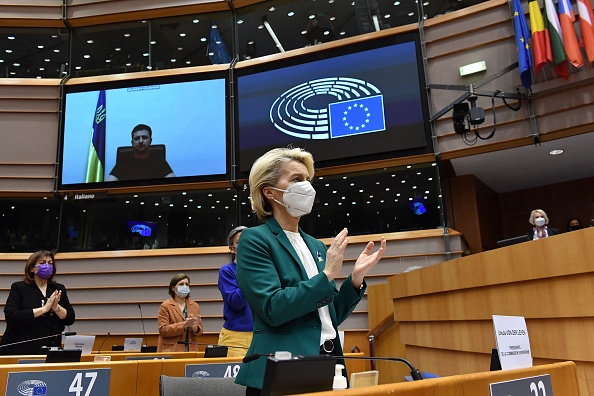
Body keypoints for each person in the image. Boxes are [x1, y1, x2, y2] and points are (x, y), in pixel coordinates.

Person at [234, 147, 386, 395]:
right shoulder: (255, 240)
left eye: (307, 180)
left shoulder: (315, 245)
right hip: (281, 368)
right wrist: (326, 275)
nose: (307, 187)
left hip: (328, 361)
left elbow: (328, 312)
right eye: (296, 179)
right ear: (269, 191)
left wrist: (355, 280)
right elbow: (273, 307)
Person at [0, 250, 75, 355]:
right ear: (32, 268)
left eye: (50, 263)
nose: (47, 266)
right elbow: (11, 316)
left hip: (49, 349)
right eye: (43, 263)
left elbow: (70, 318)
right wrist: (44, 309)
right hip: (20, 349)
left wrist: (56, 308)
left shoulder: (58, 288)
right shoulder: (19, 288)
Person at [217, 226, 253, 357]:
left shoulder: (264, 270)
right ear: (232, 249)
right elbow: (236, 303)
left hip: (261, 334)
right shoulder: (227, 271)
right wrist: (249, 273)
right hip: (236, 336)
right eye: (239, 242)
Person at [106, 124, 175, 181]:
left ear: (150, 141)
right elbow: (108, 184)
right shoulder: (124, 162)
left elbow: (174, 183)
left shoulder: (158, 161)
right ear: (132, 142)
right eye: (137, 138)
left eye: (144, 137)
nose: (141, 141)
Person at [157, 273, 203, 352]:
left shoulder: (195, 305)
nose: (185, 286)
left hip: (190, 349)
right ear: (173, 288)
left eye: (187, 284)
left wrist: (195, 328)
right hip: (172, 349)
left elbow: (200, 331)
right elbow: (163, 330)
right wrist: (184, 325)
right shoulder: (166, 306)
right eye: (181, 284)